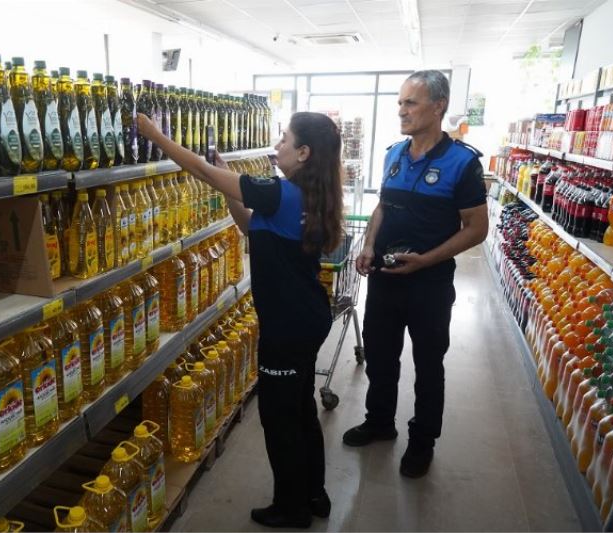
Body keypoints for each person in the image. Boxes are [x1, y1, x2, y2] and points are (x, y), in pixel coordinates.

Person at [137, 111, 343, 528]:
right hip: (306, 317)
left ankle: (292, 508)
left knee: (279, 417)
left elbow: (201, 172)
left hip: (287, 327)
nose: (277, 146)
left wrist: (156, 135)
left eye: (285, 139)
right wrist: (230, 183)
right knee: (300, 408)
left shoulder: (280, 193)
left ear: (304, 153)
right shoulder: (307, 195)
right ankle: (313, 493)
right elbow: (252, 227)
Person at [342, 70, 489, 478]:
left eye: (411, 102)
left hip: (429, 285)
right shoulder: (393, 154)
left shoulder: (462, 163)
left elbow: (477, 228)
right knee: (380, 356)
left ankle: (422, 441)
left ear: (438, 106)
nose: (401, 110)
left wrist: (427, 260)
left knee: (428, 365)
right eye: (400, 102)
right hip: (385, 279)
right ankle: (379, 422)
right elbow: (382, 207)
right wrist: (369, 244)